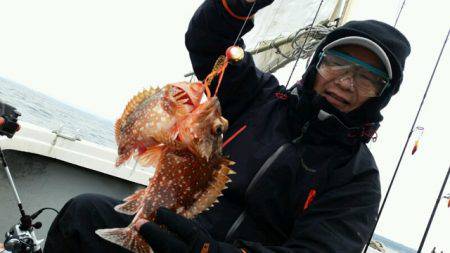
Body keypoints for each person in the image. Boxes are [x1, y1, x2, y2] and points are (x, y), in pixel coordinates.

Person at [44, 0, 411, 252]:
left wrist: (208, 250)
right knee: (85, 213)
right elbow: (210, 43)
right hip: (166, 226)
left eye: (368, 78)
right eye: (339, 64)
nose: (347, 83)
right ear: (317, 62)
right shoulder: (258, 96)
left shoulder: (357, 179)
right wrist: (238, 4)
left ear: (382, 94)